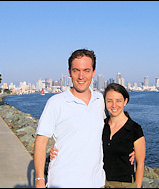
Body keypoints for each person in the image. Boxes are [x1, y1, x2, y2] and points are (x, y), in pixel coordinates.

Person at [50, 83, 146, 188]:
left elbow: (140, 164)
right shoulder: (100, 125)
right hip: (99, 182)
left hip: (124, 184)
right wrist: (58, 149)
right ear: (104, 102)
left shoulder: (134, 129)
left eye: (118, 101)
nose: (114, 105)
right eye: (109, 101)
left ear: (125, 101)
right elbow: (81, 139)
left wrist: (138, 186)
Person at [34, 49, 106, 188]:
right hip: (62, 182)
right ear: (69, 72)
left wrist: (130, 147)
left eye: (86, 70)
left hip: (96, 182)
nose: (81, 76)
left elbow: (105, 130)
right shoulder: (56, 102)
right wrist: (39, 180)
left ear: (93, 73)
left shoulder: (99, 99)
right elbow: (41, 142)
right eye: (76, 70)